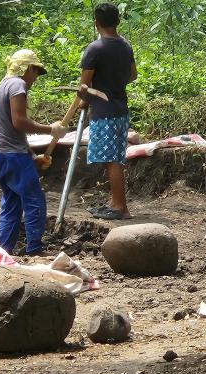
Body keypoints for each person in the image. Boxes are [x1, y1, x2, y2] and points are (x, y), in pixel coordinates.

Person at [0, 49, 68, 256]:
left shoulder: (4, 84)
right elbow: (19, 122)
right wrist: (51, 129)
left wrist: (32, 157)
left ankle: (4, 251)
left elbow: (11, 131)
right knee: (34, 201)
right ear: (29, 68)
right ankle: (34, 249)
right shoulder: (17, 85)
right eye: (37, 72)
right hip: (11, 156)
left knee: (12, 203)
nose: (36, 78)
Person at [79, 2, 137, 220]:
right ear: (117, 21)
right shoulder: (125, 46)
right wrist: (115, 82)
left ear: (96, 23)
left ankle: (121, 207)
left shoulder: (95, 48)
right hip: (121, 109)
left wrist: (84, 99)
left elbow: (84, 87)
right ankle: (115, 202)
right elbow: (133, 75)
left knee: (112, 159)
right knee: (112, 156)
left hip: (105, 112)